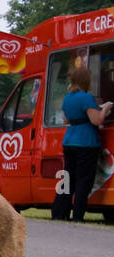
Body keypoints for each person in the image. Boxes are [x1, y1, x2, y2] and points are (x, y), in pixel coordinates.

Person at [51, 63, 112, 221]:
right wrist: (105, 108)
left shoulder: (68, 98)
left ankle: (59, 212)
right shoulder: (87, 97)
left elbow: (66, 119)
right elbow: (96, 120)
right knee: (84, 181)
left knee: (68, 179)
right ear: (86, 81)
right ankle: (77, 215)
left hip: (69, 139)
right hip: (86, 142)